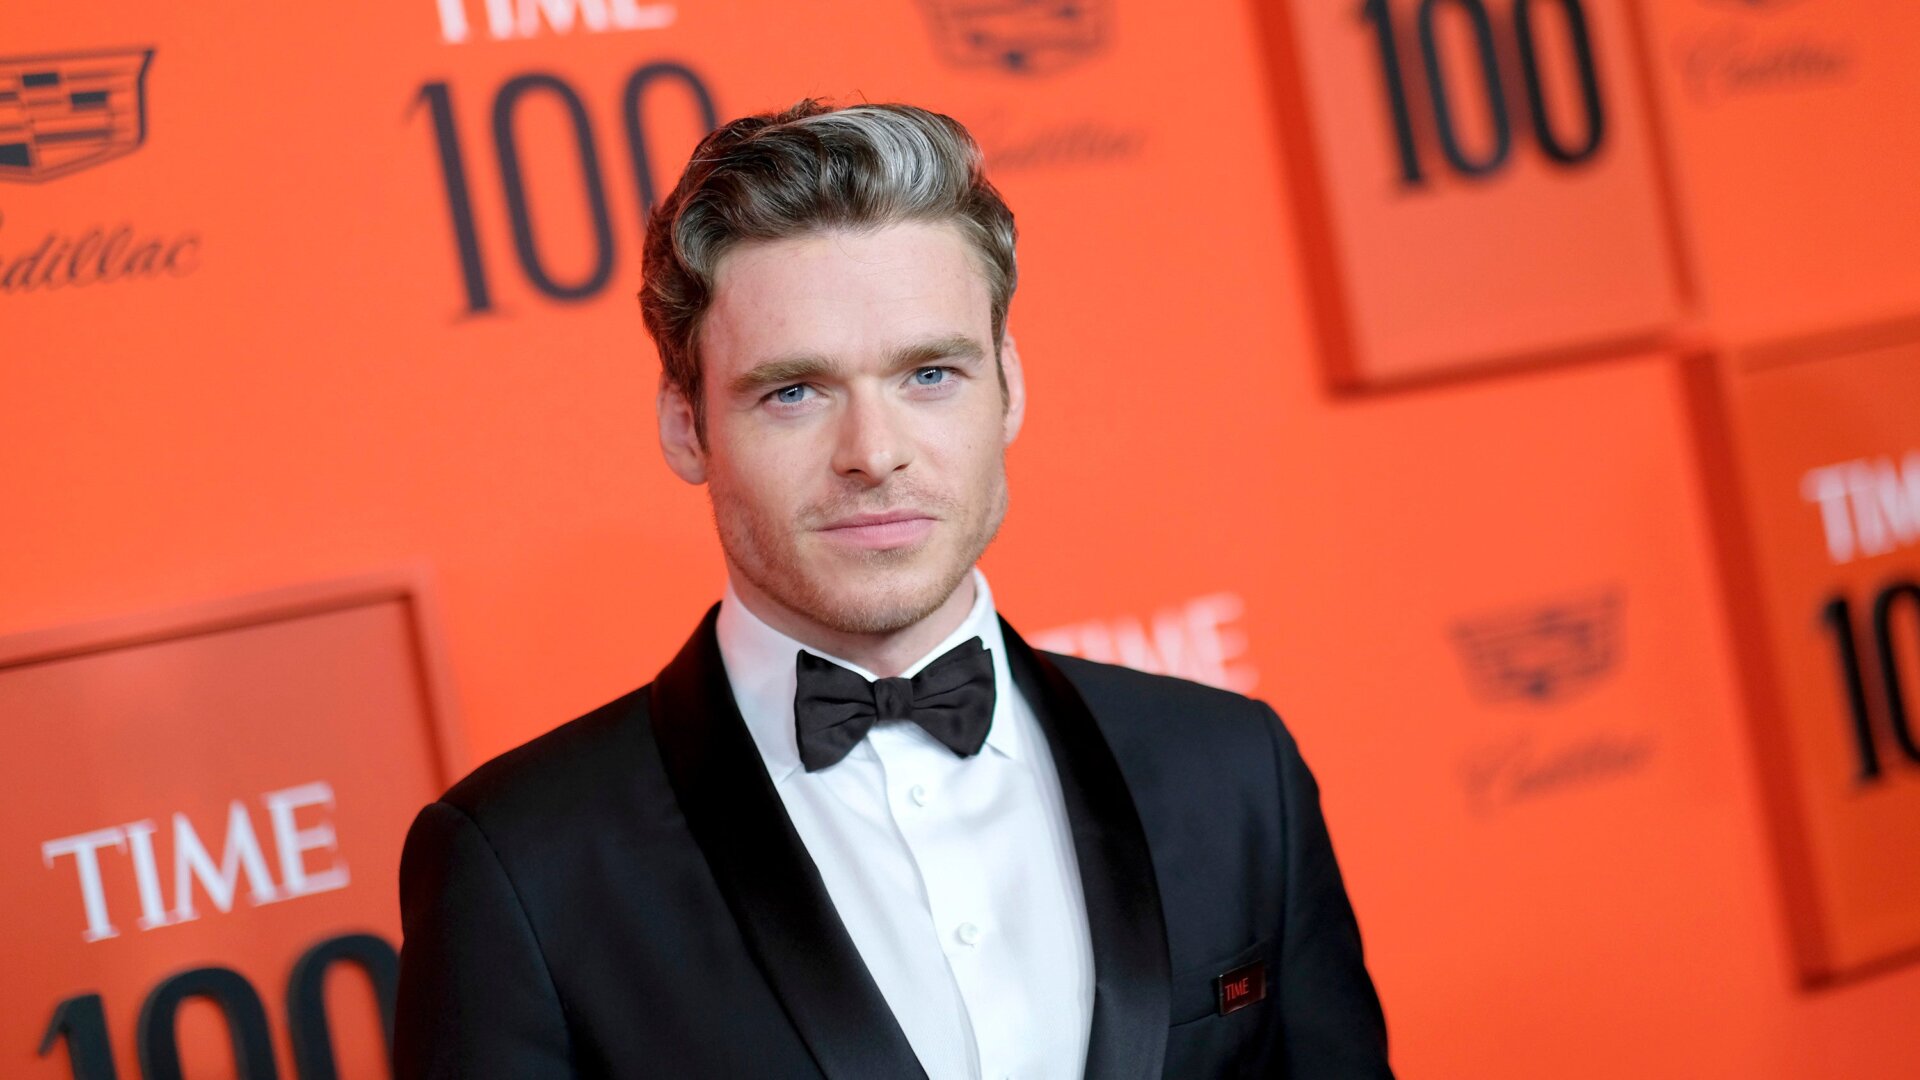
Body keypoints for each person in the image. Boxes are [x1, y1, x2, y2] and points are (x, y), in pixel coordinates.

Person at [392, 98, 1392, 1079]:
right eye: (794, 392)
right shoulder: (521, 866)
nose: (873, 454)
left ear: (1009, 382)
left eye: (929, 375)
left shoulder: (1232, 772)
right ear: (686, 426)